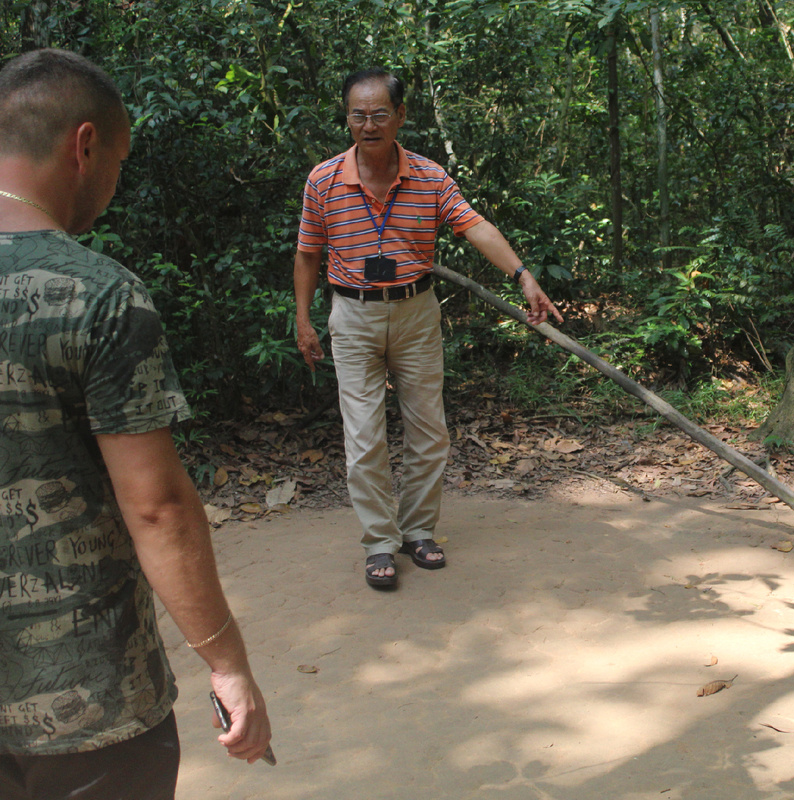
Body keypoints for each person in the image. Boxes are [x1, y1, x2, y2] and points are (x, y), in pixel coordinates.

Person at [0, 49, 272, 798]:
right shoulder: (99, 296)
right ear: (83, 146)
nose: (113, 186)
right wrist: (227, 663)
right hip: (89, 709)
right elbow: (156, 507)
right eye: (117, 164)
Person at [293, 68, 562, 588]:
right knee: (364, 437)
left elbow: (475, 225)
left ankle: (418, 531)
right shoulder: (323, 180)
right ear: (347, 116)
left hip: (416, 314)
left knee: (428, 431)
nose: (367, 124)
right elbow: (307, 255)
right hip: (352, 316)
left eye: (378, 114)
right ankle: (378, 542)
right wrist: (304, 320)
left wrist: (523, 276)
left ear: (400, 116)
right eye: (357, 114)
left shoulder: (430, 177)